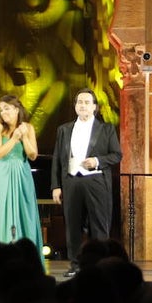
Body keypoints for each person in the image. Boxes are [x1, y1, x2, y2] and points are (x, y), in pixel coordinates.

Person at [51, 87, 122, 277]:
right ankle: (75, 264)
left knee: (99, 226)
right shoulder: (64, 130)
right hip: (72, 182)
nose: (82, 105)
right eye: (79, 102)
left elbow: (117, 155)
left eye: (86, 102)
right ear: (75, 106)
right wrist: (56, 186)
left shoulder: (106, 129)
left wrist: (97, 161)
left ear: (94, 107)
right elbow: (57, 158)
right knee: (72, 226)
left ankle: (100, 266)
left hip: (96, 181)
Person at [0, 95, 43, 261]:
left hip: (22, 172)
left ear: (17, 109)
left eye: (7, 108)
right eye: (2, 109)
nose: (3, 112)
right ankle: (0, 257)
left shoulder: (28, 127)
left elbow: (33, 155)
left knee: (25, 211)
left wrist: (24, 136)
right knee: (1, 213)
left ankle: (26, 256)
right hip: (2, 173)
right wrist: (14, 138)